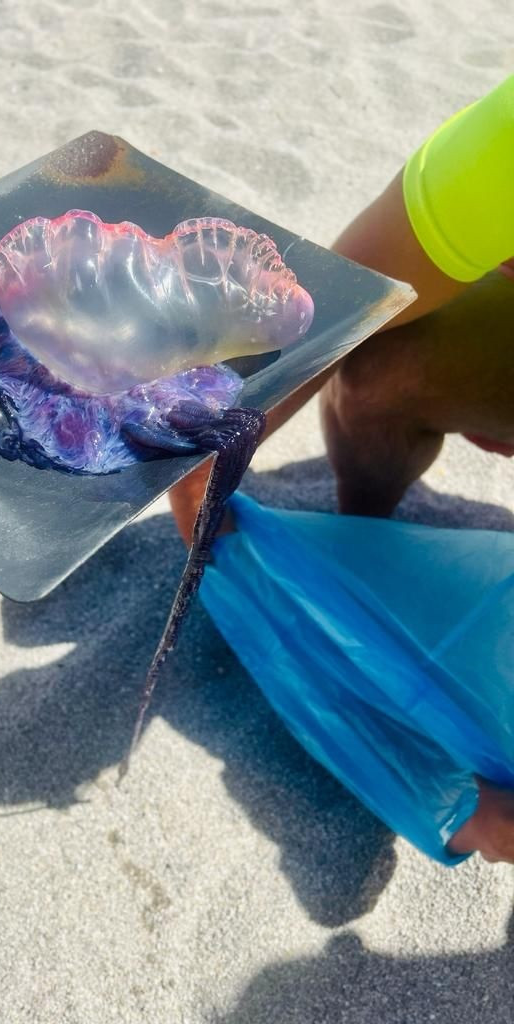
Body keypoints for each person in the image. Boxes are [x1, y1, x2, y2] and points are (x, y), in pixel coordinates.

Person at [169, 75, 514, 863]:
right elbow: (335, 302)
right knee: (387, 355)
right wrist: (205, 456)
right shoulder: (507, 146)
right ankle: (367, 539)